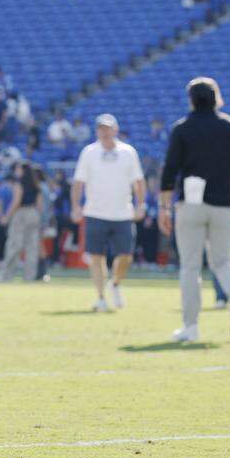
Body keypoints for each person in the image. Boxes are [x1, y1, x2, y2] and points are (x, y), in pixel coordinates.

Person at [159, 77, 230, 343]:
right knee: (223, 261)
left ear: (191, 99)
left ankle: (191, 327)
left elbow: (169, 171)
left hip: (191, 204)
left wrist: (164, 207)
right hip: (224, 205)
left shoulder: (182, 129)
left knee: (190, 267)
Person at [71, 114, 144, 311]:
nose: (104, 132)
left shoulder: (128, 152)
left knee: (126, 255)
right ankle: (101, 296)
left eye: (108, 128)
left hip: (122, 213)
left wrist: (140, 204)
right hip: (95, 211)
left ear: (115, 129)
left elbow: (138, 181)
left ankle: (115, 283)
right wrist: (76, 206)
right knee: (96, 256)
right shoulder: (89, 152)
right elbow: (79, 181)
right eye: (101, 129)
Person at [0, 160, 43, 282]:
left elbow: (16, 201)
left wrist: (7, 216)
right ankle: (29, 276)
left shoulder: (18, 183)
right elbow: (40, 205)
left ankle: (6, 275)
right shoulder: (36, 184)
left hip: (21, 214)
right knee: (32, 248)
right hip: (34, 213)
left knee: (14, 245)